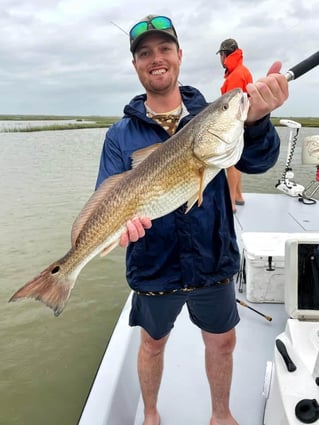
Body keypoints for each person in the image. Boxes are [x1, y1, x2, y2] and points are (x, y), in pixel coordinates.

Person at [96, 14, 288, 425]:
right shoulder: (119, 136)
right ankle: (150, 413)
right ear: (136, 65)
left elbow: (258, 160)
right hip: (153, 267)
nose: (156, 58)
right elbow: (107, 197)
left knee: (222, 344)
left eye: (164, 49)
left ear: (179, 56)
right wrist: (121, 233)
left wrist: (254, 122)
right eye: (145, 53)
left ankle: (221, 414)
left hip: (212, 258)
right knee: (151, 345)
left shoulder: (209, 115)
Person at [217, 38, 253, 212]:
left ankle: (230, 202)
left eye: (221, 55)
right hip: (243, 123)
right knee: (236, 160)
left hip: (235, 124)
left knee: (231, 162)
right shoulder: (241, 71)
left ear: (224, 54)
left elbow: (233, 105)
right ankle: (238, 195)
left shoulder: (236, 75)